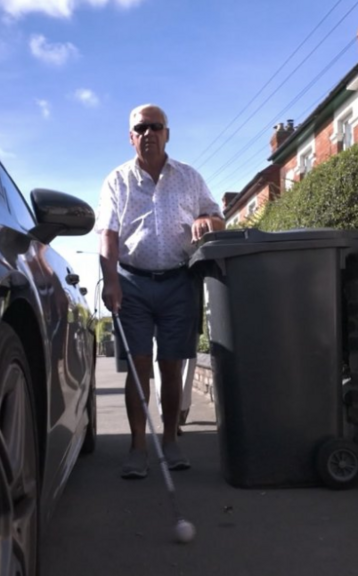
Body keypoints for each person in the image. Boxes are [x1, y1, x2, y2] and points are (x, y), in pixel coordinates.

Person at [96, 104, 225, 479]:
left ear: (167, 133)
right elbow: (107, 233)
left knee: (171, 366)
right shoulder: (116, 181)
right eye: (141, 128)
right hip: (132, 283)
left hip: (179, 282)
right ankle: (138, 447)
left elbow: (217, 216)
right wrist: (111, 280)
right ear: (131, 136)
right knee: (138, 368)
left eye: (156, 127)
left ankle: (170, 441)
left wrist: (206, 219)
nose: (149, 133)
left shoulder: (189, 177)